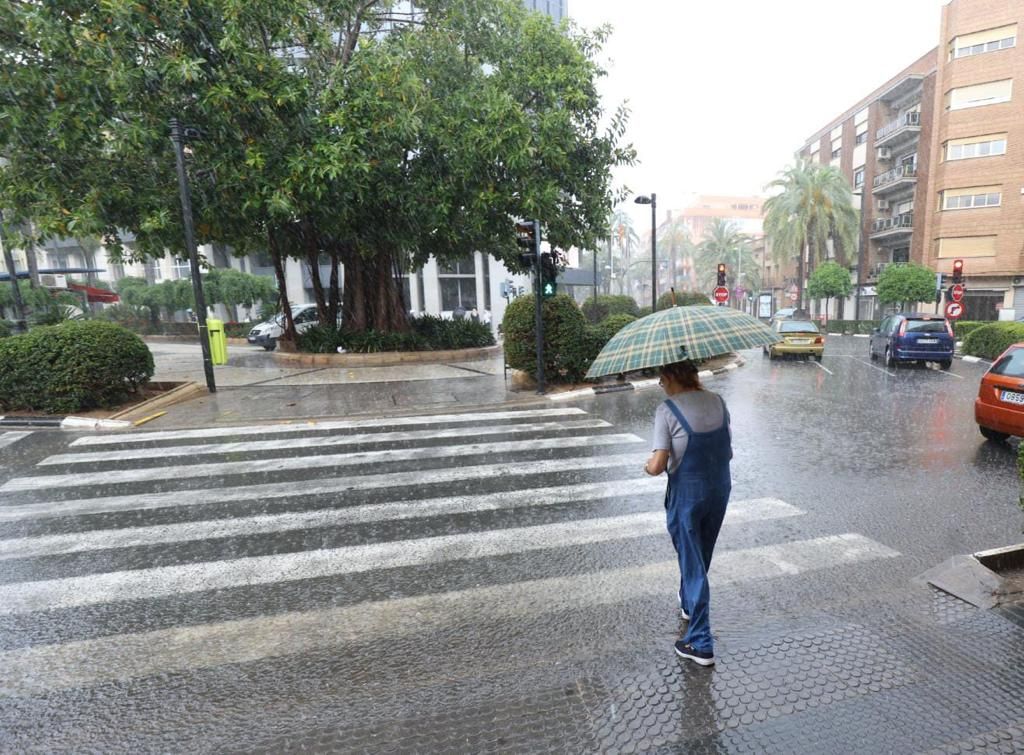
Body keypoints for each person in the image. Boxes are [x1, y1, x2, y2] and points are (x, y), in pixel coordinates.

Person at [644, 360, 732, 666]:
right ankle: (687, 601)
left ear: (670, 377)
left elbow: (657, 466)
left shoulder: (667, 410)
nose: (660, 385)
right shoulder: (718, 402)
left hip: (688, 494)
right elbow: (727, 450)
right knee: (700, 554)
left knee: (691, 561)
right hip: (720, 487)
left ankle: (700, 640)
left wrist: (647, 465)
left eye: (661, 379)